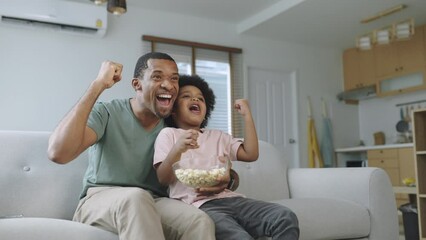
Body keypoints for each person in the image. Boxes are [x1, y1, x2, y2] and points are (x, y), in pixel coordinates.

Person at [47, 52, 220, 240]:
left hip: (155, 201)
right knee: (136, 198)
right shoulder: (107, 113)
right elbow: (58, 153)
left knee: (198, 221)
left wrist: (229, 179)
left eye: (174, 79)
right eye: (157, 76)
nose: (168, 85)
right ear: (137, 84)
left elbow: (207, 154)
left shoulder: (174, 124)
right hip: (99, 199)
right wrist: (98, 84)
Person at [153, 74, 300, 240]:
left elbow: (250, 154)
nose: (195, 99)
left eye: (200, 98)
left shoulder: (218, 136)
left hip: (233, 200)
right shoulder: (168, 135)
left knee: (285, 217)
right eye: (186, 96)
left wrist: (247, 116)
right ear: (173, 109)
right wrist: (178, 148)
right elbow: (163, 178)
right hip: (199, 206)